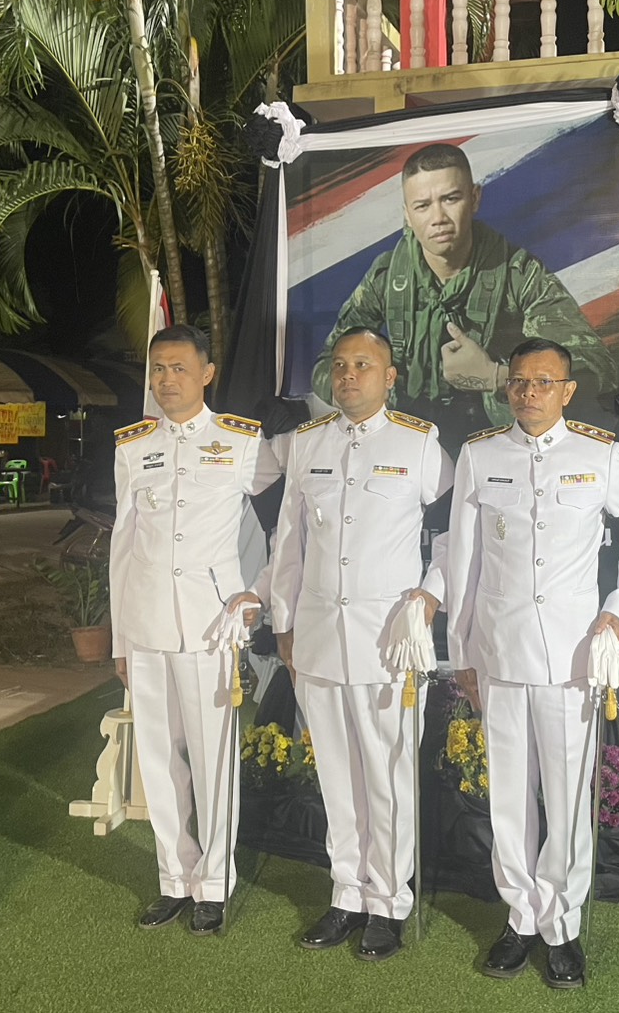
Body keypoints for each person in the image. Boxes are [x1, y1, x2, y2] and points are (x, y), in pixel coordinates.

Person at [444, 338, 619, 989]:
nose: (529, 392)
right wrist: (462, 653)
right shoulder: (480, 456)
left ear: (567, 391)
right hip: (499, 654)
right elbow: (463, 562)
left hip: (571, 658)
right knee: (510, 798)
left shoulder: (600, 456)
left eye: (543, 382)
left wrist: (617, 614)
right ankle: (520, 918)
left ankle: (561, 925)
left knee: (566, 797)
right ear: (506, 387)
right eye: (519, 381)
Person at [271, 328, 454, 962]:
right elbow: (288, 540)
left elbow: (455, 533)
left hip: (387, 642)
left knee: (388, 775)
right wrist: (284, 622)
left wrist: (430, 595)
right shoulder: (306, 444)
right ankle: (347, 894)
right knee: (336, 775)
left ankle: (389, 903)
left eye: (363, 365)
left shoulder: (419, 443)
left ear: (390, 376)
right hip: (319, 636)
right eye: (340, 364)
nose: (348, 375)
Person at [110, 325, 280, 936]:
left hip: (212, 624)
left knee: (213, 760)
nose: (166, 380)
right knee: (158, 760)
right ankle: (174, 879)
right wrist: (119, 639)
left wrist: (258, 591)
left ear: (207, 373)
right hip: (147, 622)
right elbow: (122, 545)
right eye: (158, 369)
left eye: (179, 368)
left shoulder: (241, 441)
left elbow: (287, 524)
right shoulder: (133, 447)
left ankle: (213, 884)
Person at [310, 143, 619, 439]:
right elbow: (325, 366)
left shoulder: (518, 274)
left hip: (498, 439)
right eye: (422, 206)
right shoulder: (388, 276)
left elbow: (594, 369)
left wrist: (496, 377)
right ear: (407, 215)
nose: (438, 218)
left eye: (450, 199)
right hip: (407, 436)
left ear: (474, 198)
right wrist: (371, 389)